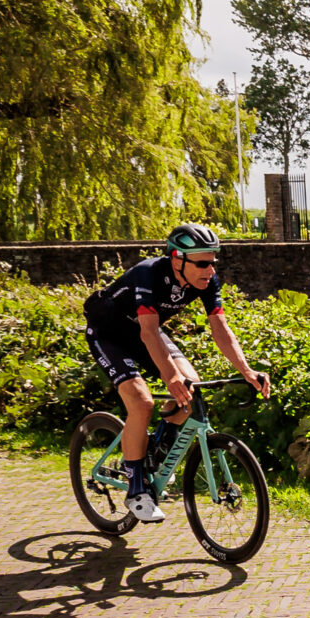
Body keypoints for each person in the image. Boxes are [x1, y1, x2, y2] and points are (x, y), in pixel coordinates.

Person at [81, 223, 272, 523]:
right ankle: (136, 489)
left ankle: (156, 452)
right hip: (109, 336)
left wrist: (247, 370)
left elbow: (220, 330)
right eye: (202, 263)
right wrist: (171, 377)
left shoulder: (207, 281)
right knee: (142, 402)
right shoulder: (148, 274)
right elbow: (148, 331)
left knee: (190, 388)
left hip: (145, 331)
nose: (210, 270)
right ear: (177, 259)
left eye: (213, 262)